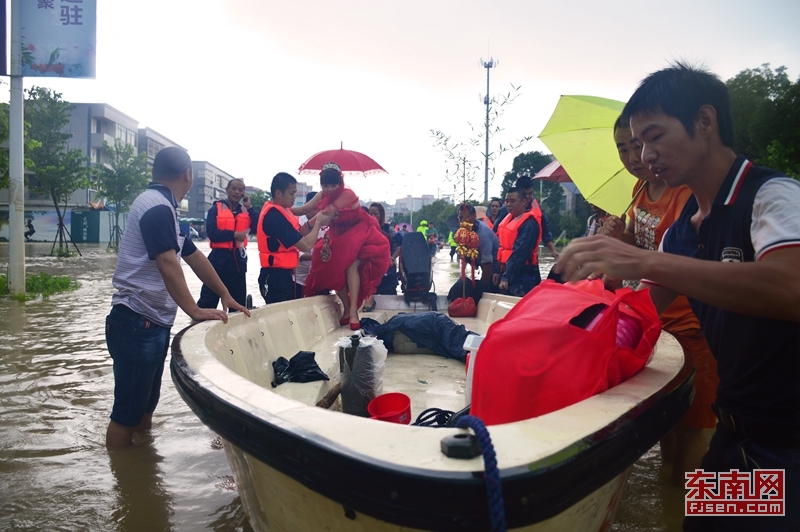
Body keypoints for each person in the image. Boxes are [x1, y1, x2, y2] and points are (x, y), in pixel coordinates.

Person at [556, 63, 800, 531]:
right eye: (638, 144)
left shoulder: (773, 197)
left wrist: (643, 261)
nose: (646, 155)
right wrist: (569, 321)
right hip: (734, 431)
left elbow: (790, 288)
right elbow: (643, 311)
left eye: (654, 136)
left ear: (704, 122)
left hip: (787, 446)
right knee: (697, 519)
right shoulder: (685, 226)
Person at [598, 115, 720, 485]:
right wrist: (618, 238)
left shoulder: (684, 194)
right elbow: (640, 245)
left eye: (640, 145)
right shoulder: (639, 190)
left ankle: (687, 508)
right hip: (658, 321)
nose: (636, 156)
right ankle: (670, 497)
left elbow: (685, 260)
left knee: (695, 426)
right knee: (669, 421)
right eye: (624, 148)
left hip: (693, 326)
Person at [104, 147, 250, 449]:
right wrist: (195, 310)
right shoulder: (157, 207)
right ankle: (124, 485)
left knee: (145, 408)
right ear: (188, 175)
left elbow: (195, 257)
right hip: (136, 321)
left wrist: (225, 295)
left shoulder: (165, 209)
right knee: (125, 415)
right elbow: (168, 264)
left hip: (150, 322)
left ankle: (140, 471)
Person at [299, 163, 391, 329]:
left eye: (333, 185)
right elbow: (305, 208)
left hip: (360, 233)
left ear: (340, 182)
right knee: (329, 266)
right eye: (325, 185)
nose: (329, 189)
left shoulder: (347, 194)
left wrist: (308, 226)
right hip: (338, 234)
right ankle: (347, 308)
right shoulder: (322, 194)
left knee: (351, 266)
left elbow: (327, 212)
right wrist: (278, 207)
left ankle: (354, 311)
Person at [257, 173, 332, 305]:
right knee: (279, 314)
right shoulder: (274, 216)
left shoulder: (283, 211)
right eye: (292, 194)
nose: (294, 197)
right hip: (274, 276)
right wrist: (319, 222)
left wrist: (324, 192)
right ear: (279, 193)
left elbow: (304, 213)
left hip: (285, 275)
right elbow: (306, 245)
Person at [197, 178, 258, 310]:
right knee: (207, 302)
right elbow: (212, 233)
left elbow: (258, 227)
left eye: (240, 190)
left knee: (238, 305)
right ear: (227, 190)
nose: (237, 192)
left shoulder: (246, 211)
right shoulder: (215, 209)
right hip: (217, 261)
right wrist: (234, 235)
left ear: (244, 193)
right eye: (233, 188)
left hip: (237, 263)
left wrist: (250, 207)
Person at [493, 176, 559, 260]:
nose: (528, 196)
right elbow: (495, 232)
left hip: (528, 260)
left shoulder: (537, 209)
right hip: (510, 258)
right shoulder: (507, 209)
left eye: (530, 193)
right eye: (525, 193)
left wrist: (553, 250)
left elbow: (545, 230)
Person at [492, 186, 542, 296]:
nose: (508, 204)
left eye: (512, 201)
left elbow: (519, 253)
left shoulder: (529, 224)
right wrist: (497, 271)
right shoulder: (507, 219)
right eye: (507, 201)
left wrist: (506, 277)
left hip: (523, 277)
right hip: (507, 273)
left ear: (524, 201)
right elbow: (500, 247)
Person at [361, 203, 401, 310]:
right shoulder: (365, 229)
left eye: (376, 214)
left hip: (388, 267)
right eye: (371, 213)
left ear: (381, 215)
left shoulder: (389, 229)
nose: (373, 216)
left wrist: (392, 258)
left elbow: (399, 246)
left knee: (389, 291)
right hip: (371, 268)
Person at [293, 191, 322, 299]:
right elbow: (295, 252)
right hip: (298, 277)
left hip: (319, 277)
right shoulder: (297, 223)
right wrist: (316, 257)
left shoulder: (326, 224)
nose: (317, 211)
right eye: (314, 207)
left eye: (320, 207)